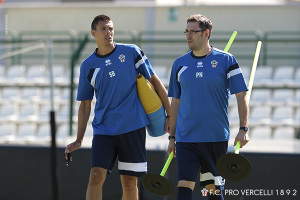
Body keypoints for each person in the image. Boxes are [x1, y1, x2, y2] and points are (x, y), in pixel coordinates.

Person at [65, 14, 171, 200]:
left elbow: (154, 81)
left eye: (111, 29)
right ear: (93, 33)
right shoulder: (88, 66)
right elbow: (85, 104)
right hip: (104, 130)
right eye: (104, 29)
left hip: (133, 128)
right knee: (96, 176)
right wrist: (79, 138)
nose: (108, 33)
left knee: (130, 183)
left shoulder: (131, 52)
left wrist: (170, 116)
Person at [167, 14, 249, 200]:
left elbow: (241, 95)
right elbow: (175, 102)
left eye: (193, 32)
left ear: (206, 33)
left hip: (215, 137)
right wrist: (172, 137)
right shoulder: (179, 64)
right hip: (186, 138)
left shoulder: (226, 60)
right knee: (184, 186)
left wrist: (243, 129)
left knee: (211, 190)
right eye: (186, 31)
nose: (188, 35)